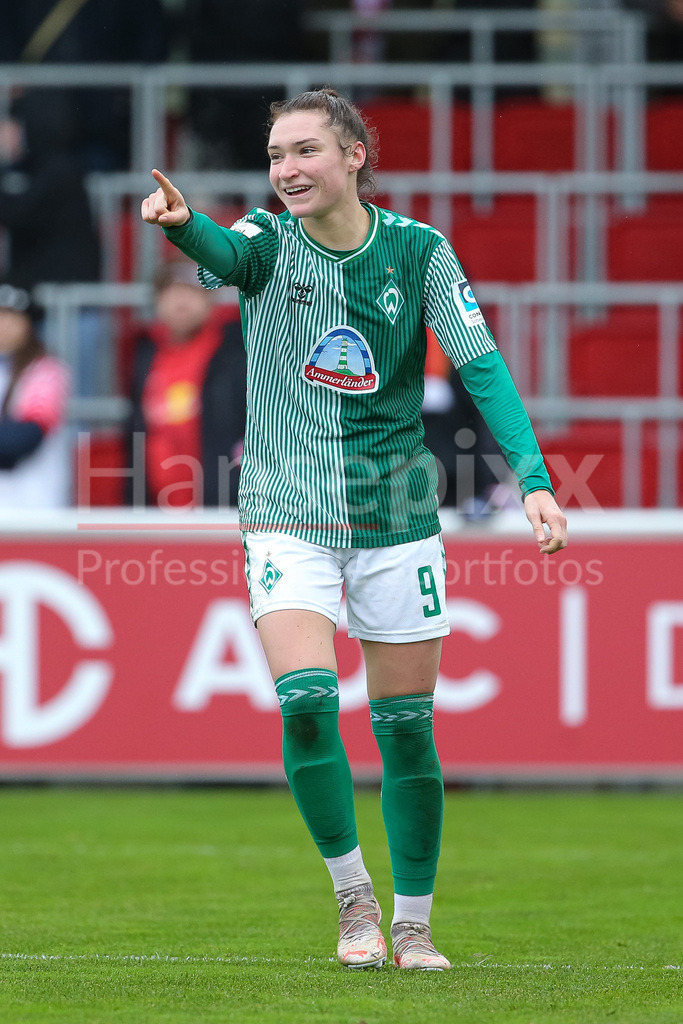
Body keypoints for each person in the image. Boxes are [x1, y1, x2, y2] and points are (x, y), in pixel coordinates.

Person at [141, 88, 567, 971]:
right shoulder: (265, 240)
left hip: (395, 517)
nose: (286, 170)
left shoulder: (418, 252)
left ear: (353, 156)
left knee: (405, 727)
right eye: (275, 155)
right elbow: (223, 250)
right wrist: (184, 228)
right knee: (305, 701)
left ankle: (413, 921)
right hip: (285, 513)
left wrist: (532, 479)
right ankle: (353, 899)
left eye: (304, 151)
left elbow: (483, 369)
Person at [125, 258, 246, 509]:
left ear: (210, 298)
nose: (181, 301)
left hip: (221, 508)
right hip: (157, 511)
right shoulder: (144, 355)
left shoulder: (236, 354)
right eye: (171, 291)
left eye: (191, 290)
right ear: (157, 300)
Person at [0, 284, 71, 508]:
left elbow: (26, 437)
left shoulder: (47, 370)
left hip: (36, 503)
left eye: (12, 317)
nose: (4, 324)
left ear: (29, 323)